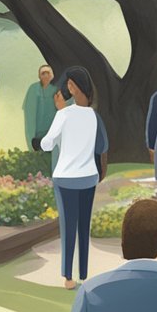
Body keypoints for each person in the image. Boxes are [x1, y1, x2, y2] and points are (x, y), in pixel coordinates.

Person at [40, 67, 108, 289]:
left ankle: (68, 278)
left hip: (66, 178)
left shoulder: (64, 114)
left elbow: (46, 143)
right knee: (83, 227)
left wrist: (60, 113)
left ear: (71, 86)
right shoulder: (95, 116)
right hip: (88, 177)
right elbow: (101, 147)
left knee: (68, 228)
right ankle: (84, 274)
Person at [22, 64, 56, 149]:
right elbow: (29, 115)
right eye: (43, 73)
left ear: (53, 75)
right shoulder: (33, 89)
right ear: (39, 76)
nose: (46, 76)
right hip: (38, 134)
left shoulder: (57, 89)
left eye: (48, 73)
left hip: (53, 131)